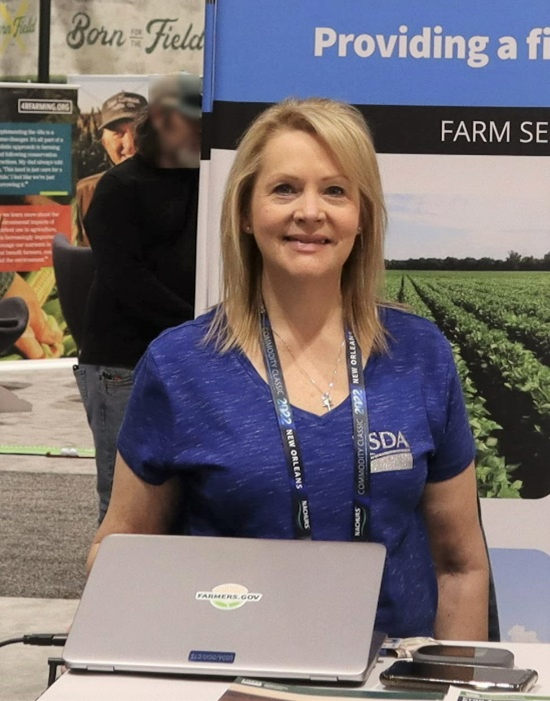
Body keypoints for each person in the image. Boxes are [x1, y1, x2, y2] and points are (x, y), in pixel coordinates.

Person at [87, 98, 490, 639]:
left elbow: (460, 565)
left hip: (391, 684)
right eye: (284, 188)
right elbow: (118, 550)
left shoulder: (420, 354)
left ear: (362, 215)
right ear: (246, 213)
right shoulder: (180, 365)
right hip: (234, 679)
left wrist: (456, 688)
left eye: (335, 190)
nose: (310, 211)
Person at [74, 73, 202, 523]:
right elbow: (126, 279)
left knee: (183, 495)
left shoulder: (205, 181)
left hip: (186, 354)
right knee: (123, 503)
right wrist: (197, 325)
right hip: (121, 361)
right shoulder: (119, 186)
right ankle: (114, 590)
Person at [75, 91, 147, 246]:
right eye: (118, 133)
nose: (130, 145)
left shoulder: (177, 191)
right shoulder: (86, 193)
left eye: (137, 131)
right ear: (104, 142)